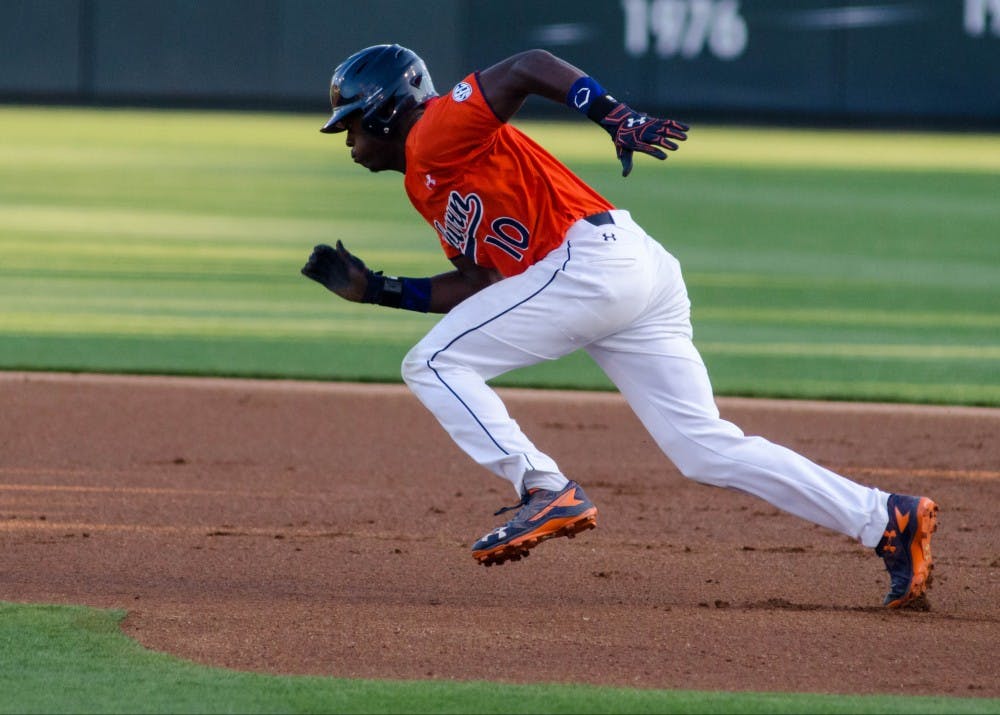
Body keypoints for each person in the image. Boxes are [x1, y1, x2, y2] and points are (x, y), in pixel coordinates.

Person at [301, 44, 938, 608]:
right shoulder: (426, 179)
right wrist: (378, 291)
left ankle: (543, 486)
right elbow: (481, 286)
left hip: (591, 266)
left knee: (433, 363)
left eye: (352, 126)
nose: (350, 143)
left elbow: (527, 66)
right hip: (628, 272)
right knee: (704, 448)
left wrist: (611, 112)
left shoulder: (436, 128)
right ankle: (884, 518)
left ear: (387, 110)